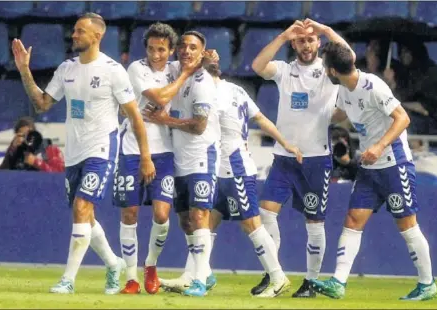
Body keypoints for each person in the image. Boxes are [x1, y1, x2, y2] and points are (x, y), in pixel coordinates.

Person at [12, 13, 155, 294]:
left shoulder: (113, 71)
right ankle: (114, 264)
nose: (74, 35)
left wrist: (146, 156)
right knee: (86, 217)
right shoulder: (66, 69)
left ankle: (68, 279)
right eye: (74, 31)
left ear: (97, 36)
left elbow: (135, 117)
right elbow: (41, 104)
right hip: (74, 152)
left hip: (102, 148)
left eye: (80, 31)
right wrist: (24, 70)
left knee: (81, 207)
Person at [160, 52, 302, 297]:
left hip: (234, 168)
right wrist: (285, 142)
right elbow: (260, 119)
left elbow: (198, 124)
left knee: (251, 224)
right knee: (203, 223)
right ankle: (194, 276)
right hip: (217, 169)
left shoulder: (210, 93)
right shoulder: (236, 90)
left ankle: (278, 277)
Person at [309, 41, 437, 301]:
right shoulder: (345, 89)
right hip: (369, 167)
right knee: (353, 220)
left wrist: (379, 146)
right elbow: (341, 114)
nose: (324, 71)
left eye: (325, 67)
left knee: (408, 226)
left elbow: (403, 118)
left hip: (393, 163)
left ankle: (427, 284)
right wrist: (312, 115)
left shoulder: (374, 86)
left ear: (333, 71)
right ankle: (338, 282)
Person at [250, 18, 354, 298]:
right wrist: (283, 35)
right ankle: (274, 274)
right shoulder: (284, 71)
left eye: (311, 40)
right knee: (266, 213)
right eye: (301, 40)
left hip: (316, 159)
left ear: (318, 43)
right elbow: (257, 66)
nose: (306, 45)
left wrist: (328, 30)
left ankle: (310, 282)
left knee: (314, 222)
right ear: (294, 44)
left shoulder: (329, 71)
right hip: (284, 158)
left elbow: (350, 58)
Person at [114, 22, 203, 295]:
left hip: (165, 152)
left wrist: (206, 59)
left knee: (163, 214)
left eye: (162, 50)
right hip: (132, 150)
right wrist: (186, 72)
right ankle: (130, 277)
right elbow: (161, 96)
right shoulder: (136, 69)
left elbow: (204, 65)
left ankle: (150, 265)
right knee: (130, 213)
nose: (156, 55)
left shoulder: (176, 68)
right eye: (151, 49)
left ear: (171, 50)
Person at [145, 31, 218, 297]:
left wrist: (166, 121)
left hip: (201, 157)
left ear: (201, 52)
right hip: (177, 160)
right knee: (186, 221)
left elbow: (199, 126)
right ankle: (206, 274)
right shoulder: (175, 69)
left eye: (193, 48)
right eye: (184, 47)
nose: (187, 51)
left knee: (200, 217)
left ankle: (198, 280)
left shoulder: (202, 82)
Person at [384, 42, 437, 134]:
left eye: (406, 52)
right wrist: (392, 83)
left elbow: (426, 108)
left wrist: (401, 106)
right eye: (401, 52)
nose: (402, 55)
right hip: (408, 115)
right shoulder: (403, 71)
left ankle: (417, 147)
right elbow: (399, 97)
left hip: (430, 120)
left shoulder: (430, 72)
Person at [0, 116, 65, 172]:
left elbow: (60, 174)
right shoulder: (14, 151)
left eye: (30, 133)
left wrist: (37, 162)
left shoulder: (50, 149)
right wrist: (12, 149)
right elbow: (1, 177)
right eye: (23, 135)